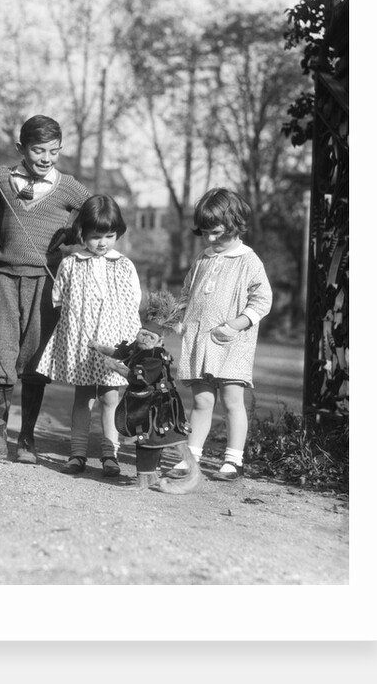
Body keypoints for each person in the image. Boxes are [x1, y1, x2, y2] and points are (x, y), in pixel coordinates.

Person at [0, 115, 91, 464]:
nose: (46, 158)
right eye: (38, 150)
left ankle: (28, 440)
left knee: (35, 357)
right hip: (2, 280)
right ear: (21, 148)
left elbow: (97, 212)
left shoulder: (68, 187)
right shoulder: (3, 177)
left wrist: (75, 234)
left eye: (54, 151)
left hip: (45, 285)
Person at [170, 187, 273, 482]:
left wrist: (236, 325)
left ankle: (233, 460)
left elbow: (262, 299)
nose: (211, 239)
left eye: (217, 232)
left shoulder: (248, 260)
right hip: (199, 341)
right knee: (202, 401)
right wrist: (179, 317)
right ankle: (192, 458)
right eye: (205, 233)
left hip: (231, 343)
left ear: (235, 225)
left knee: (231, 400)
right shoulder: (202, 259)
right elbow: (188, 293)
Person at [36, 195, 142, 477]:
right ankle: (77, 453)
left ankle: (110, 455)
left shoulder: (123, 265)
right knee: (83, 398)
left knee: (110, 398)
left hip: (113, 346)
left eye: (110, 235)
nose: (103, 242)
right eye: (96, 236)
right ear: (82, 233)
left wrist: (130, 345)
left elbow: (133, 303)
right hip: (82, 344)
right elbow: (58, 299)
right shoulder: (71, 264)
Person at [96, 290, 201, 492]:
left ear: (159, 340)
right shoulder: (139, 347)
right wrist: (100, 348)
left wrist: (115, 367)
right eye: (142, 333)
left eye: (149, 336)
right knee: (150, 442)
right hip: (148, 404)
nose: (144, 338)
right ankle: (151, 479)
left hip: (157, 409)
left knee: (148, 441)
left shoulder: (155, 355)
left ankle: (143, 483)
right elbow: (123, 353)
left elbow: (138, 377)